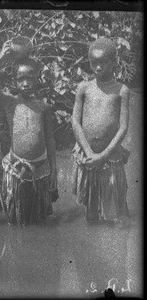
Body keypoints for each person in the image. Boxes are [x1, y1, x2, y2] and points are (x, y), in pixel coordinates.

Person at [0, 41, 58, 226]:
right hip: (17, 168)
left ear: (37, 79)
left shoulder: (44, 107)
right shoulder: (10, 103)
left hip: (40, 169)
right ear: (14, 81)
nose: (26, 83)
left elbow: (49, 139)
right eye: (20, 79)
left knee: (40, 219)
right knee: (18, 218)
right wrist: (0, 57)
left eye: (30, 78)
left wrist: (54, 170)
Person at [71, 37, 131, 227]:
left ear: (113, 62)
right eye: (93, 62)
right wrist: (89, 153)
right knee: (91, 212)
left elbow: (123, 127)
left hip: (111, 155)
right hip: (87, 155)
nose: (97, 67)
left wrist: (103, 156)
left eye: (102, 62)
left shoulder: (121, 90)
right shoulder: (84, 88)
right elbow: (75, 122)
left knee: (120, 210)